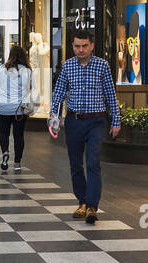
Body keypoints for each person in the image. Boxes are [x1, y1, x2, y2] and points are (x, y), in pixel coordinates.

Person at [49, 29, 121, 225]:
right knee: (75, 164)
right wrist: (53, 115)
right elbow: (58, 93)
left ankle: (92, 207)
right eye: (77, 46)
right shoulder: (68, 66)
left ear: (91, 46)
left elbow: (110, 94)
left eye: (84, 46)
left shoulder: (102, 66)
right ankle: (81, 202)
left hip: (96, 121)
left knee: (92, 162)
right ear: (73, 46)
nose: (80, 50)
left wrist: (116, 120)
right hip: (74, 121)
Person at [0, 44, 35, 173]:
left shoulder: (0, 69)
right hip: (20, 109)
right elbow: (33, 88)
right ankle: (17, 162)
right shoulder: (27, 71)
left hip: (3, 107)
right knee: (18, 135)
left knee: (3, 133)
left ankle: (5, 152)